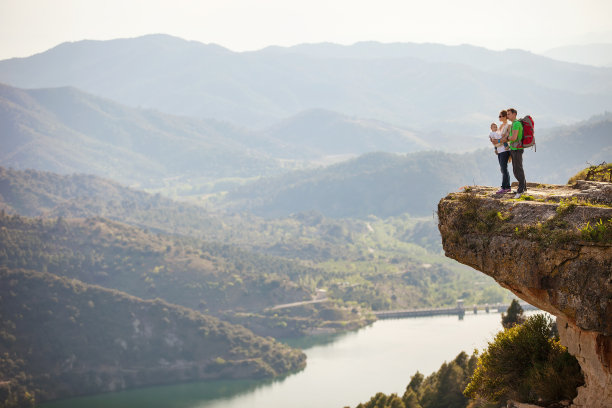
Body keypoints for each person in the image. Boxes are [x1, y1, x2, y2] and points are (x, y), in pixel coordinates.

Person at [505, 108, 527, 198]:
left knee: (518, 169)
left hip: (517, 149)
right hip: (514, 149)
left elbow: (514, 138)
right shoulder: (514, 123)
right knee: (517, 169)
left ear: (514, 114)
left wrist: (507, 137)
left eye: (509, 114)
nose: (507, 116)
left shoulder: (516, 124)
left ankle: (521, 190)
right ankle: (523, 188)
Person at [490, 110, 511, 194]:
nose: (499, 117)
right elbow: (496, 136)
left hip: (505, 150)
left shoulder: (508, 126)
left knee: (504, 168)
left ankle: (504, 187)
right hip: (499, 150)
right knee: (503, 169)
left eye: (500, 116)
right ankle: (507, 187)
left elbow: (506, 137)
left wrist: (497, 140)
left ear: (505, 117)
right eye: (499, 116)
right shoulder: (500, 126)